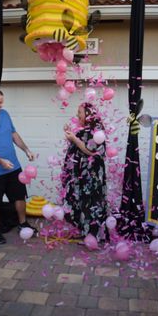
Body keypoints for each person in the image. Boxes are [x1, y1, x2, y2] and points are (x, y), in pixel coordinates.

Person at [0, 89, 37, 244]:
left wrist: (26, 150)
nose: (0, 105)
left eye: (2, 102)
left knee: (19, 195)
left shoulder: (4, 114)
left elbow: (13, 134)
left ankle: (23, 223)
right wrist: (0, 161)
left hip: (13, 167)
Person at [61, 102, 108, 241]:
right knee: (82, 200)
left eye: (80, 112)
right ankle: (84, 231)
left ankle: (94, 234)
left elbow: (90, 151)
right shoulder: (84, 130)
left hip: (91, 175)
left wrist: (74, 139)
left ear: (88, 114)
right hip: (82, 174)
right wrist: (71, 134)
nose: (77, 114)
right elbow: (78, 147)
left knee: (92, 202)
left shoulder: (97, 131)